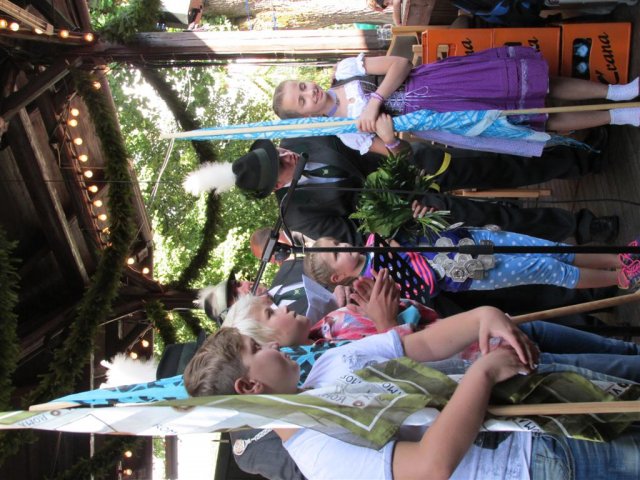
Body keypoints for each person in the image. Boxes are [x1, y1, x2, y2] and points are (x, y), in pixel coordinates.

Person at [184, 300, 640, 480]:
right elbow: (429, 465)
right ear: (250, 385)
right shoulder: (317, 455)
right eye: (256, 349)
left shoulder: (326, 364)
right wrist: (481, 375)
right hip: (532, 461)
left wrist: (481, 317)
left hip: (538, 394)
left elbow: (421, 345)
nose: (271, 344)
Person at [184, 136, 618, 245]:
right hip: (410, 212)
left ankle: (581, 160)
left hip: (410, 164)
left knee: (498, 165)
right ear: (276, 185)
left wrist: (396, 151)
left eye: (277, 151)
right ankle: (580, 227)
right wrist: (402, 216)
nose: (286, 154)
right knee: (494, 218)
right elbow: (355, 234)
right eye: (280, 163)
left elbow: (356, 139)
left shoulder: (303, 139)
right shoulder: (296, 213)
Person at [272, 47, 640, 156]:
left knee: (536, 85)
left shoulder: (345, 70)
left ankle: (617, 92)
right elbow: (403, 155)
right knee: (535, 119)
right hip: (443, 119)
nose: (309, 92)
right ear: (304, 116)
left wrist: (376, 100)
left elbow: (401, 64)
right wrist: (390, 139)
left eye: (302, 85)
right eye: (301, 100)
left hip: (441, 82)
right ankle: (620, 116)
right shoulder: (347, 133)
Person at [305, 233, 640, 296]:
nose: (343, 246)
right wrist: (393, 252)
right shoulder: (370, 287)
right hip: (463, 273)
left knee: (549, 249)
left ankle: (619, 256)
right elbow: (419, 289)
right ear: (338, 276)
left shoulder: (370, 242)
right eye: (337, 253)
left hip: (460, 241)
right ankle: (620, 279)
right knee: (546, 269)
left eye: (337, 243)